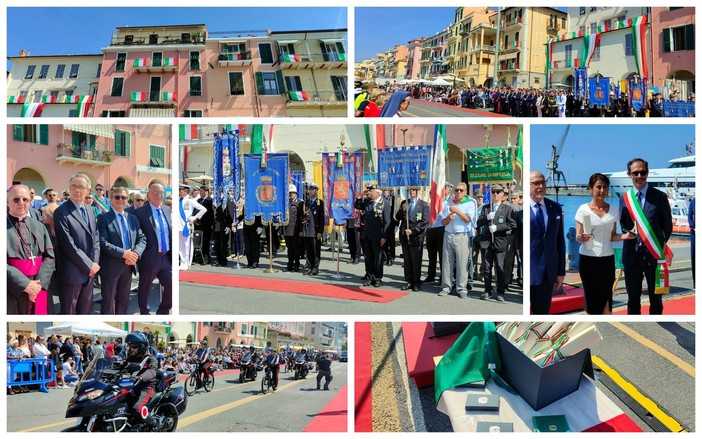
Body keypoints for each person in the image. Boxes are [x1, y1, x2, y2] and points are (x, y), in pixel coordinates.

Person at [619, 158, 673, 315]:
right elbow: (623, 224)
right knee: (633, 298)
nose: (639, 175)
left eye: (642, 172)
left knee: (656, 299)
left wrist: (656, 245)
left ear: (647, 173)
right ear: (629, 175)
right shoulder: (624, 198)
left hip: (654, 256)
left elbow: (667, 227)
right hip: (631, 256)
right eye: (635, 173)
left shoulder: (660, 197)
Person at [575, 173, 634, 314]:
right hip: (588, 259)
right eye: (598, 187)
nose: (602, 190)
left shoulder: (613, 210)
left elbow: (612, 236)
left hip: (607, 259)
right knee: (590, 296)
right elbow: (578, 235)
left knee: (606, 295)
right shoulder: (583, 209)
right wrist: (580, 237)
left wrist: (625, 236)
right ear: (591, 189)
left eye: (605, 187)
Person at [53, 173, 101, 314]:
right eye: (73, 186)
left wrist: (94, 263)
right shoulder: (61, 212)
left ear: (88, 190)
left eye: (81, 186)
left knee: (86, 311)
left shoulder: (90, 210)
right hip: (72, 273)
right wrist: (89, 265)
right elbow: (68, 245)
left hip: (90, 272)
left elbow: (96, 239)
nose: (77, 190)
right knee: (69, 311)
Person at [97, 186, 147, 314]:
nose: (120, 200)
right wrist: (124, 253)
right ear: (111, 199)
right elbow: (102, 242)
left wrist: (135, 254)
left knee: (124, 301)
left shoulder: (132, 218)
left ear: (127, 200)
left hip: (128, 266)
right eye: (117, 197)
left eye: (123, 197)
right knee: (108, 303)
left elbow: (142, 238)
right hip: (111, 266)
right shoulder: (103, 218)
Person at [7, 185, 55, 315]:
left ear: (30, 201)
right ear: (7, 201)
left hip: (40, 286)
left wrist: (38, 286)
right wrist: (25, 284)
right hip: (12, 288)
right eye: (16, 199)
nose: (21, 203)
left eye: (25, 199)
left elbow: (50, 256)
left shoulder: (39, 226)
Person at [530, 171, 566, 314]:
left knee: (542, 315)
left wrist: (560, 271)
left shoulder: (555, 208)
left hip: (548, 273)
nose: (540, 186)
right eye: (536, 183)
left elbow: (560, 242)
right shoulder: (521, 210)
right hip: (528, 271)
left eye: (543, 182)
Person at [135, 180, 173, 315]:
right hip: (150, 258)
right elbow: (137, 236)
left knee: (171, 286)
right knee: (145, 289)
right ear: (148, 195)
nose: (159, 196)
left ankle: (163, 311)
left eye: (161, 193)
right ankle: (144, 313)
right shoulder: (140, 213)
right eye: (155, 193)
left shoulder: (166, 210)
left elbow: (168, 232)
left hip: (166, 257)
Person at [476, 184, 516, 301]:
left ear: (502, 194)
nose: (495, 194)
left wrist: (498, 227)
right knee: (487, 268)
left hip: (500, 242)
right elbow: (479, 222)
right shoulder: (487, 208)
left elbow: (512, 225)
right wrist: (487, 217)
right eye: (493, 192)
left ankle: (500, 292)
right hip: (487, 242)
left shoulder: (507, 209)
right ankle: (487, 291)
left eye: (498, 192)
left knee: (500, 267)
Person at [437, 182, 476, 299]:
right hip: (449, 234)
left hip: (462, 235)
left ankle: (461, 288)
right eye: (456, 190)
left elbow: (468, 219)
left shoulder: (470, 203)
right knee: (447, 262)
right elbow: (442, 222)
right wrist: (449, 217)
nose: (458, 192)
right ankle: (446, 286)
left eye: (461, 190)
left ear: (465, 192)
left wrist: (457, 211)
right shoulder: (448, 203)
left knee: (462, 262)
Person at [120, 332, 161, 430]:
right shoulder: (130, 358)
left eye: (134, 347)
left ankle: (154, 424)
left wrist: (141, 377)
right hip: (130, 387)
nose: (131, 349)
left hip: (146, 388)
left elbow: (152, 371)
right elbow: (121, 368)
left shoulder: (151, 359)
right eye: (130, 346)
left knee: (136, 409)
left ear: (142, 347)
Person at [355, 185, 392, 287]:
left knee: (378, 258)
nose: (369, 193)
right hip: (366, 234)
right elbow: (357, 206)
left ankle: (377, 278)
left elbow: (387, 222)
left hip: (378, 236)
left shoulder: (385, 203)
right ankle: (370, 277)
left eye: (371, 191)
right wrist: (360, 196)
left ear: (377, 193)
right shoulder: (367, 201)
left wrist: (384, 237)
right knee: (368, 257)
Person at [395, 187, 429, 291]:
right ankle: (409, 281)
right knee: (407, 260)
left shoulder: (423, 205)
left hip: (416, 236)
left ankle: (416, 282)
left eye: (414, 190)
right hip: (405, 236)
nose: (412, 192)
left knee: (416, 260)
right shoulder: (405, 202)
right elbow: (398, 217)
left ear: (418, 192)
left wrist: (413, 231)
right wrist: (403, 210)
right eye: (410, 190)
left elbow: (425, 221)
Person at [178, 184, 206, 270]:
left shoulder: (190, 200)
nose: (179, 191)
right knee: (179, 245)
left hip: (185, 225)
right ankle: (182, 261)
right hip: (178, 225)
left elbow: (203, 209)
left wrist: (194, 218)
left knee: (186, 245)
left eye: (180, 190)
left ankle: (186, 263)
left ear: (185, 191)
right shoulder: (179, 200)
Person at [300, 183, 325, 276]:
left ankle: (315, 267)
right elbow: (301, 216)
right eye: (309, 190)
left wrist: (320, 232)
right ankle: (310, 266)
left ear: (316, 191)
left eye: (312, 189)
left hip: (315, 230)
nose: (310, 191)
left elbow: (322, 219)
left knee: (315, 250)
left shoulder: (320, 202)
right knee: (308, 250)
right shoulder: (305, 202)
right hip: (306, 230)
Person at [283, 184, 303, 272]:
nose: (291, 194)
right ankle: (290, 264)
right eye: (290, 193)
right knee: (289, 248)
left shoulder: (300, 203)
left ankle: (297, 264)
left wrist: (301, 230)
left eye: (293, 193)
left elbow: (301, 218)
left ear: (296, 193)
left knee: (296, 248)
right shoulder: (285, 202)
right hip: (287, 228)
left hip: (295, 229)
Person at [212, 191, 234, 267]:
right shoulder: (216, 199)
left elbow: (231, 213)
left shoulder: (228, 199)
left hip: (224, 225)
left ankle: (223, 260)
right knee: (217, 244)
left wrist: (229, 225)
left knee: (223, 244)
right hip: (216, 226)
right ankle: (219, 259)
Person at [194, 186, 214, 264]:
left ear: (206, 192)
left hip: (206, 225)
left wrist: (199, 219)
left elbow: (208, 212)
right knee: (199, 241)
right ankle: (199, 256)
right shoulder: (199, 200)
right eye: (200, 191)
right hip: (198, 224)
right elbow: (195, 210)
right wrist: (195, 219)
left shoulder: (210, 200)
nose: (200, 193)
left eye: (202, 191)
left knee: (206, 242)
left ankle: (206, 258)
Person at [689, 197, 696, 287]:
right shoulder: (693, 202)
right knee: (695, 260)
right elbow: (689, 217)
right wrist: (694, 227)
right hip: (695, 233)